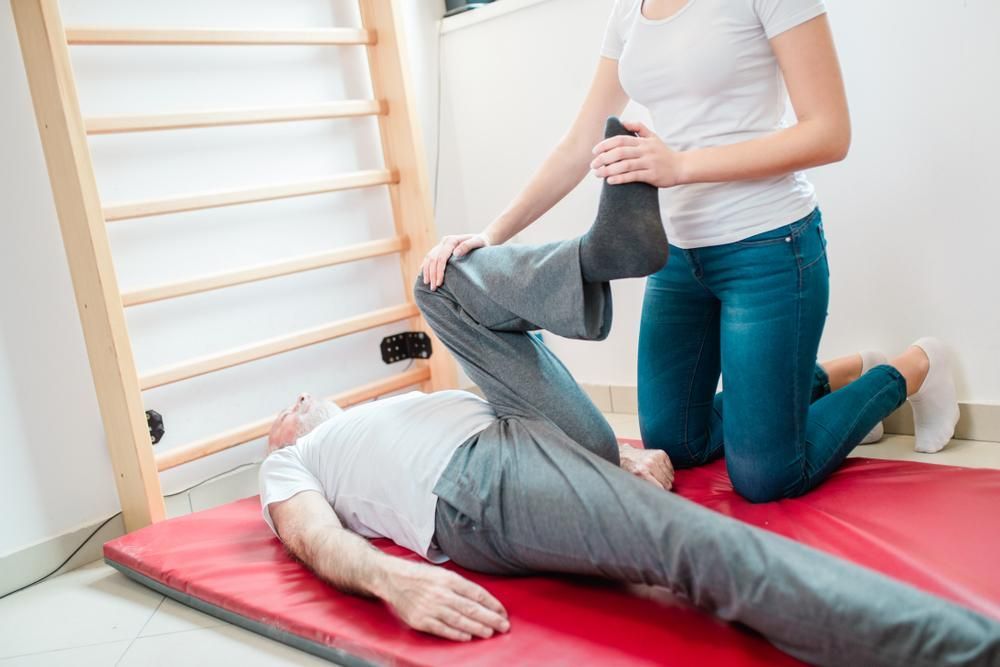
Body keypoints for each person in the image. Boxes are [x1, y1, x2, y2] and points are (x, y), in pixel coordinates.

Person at [260, 151, 998, 666]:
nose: (294, 402)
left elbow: (522, 393)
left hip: (524, 429)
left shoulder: (405, 403)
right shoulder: (293, 466)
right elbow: (314, 540)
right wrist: (394, 581)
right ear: (281, 444)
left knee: (436, 283)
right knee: (697, 548)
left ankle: (599, 256)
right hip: (472, 492)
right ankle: (968, 646)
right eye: (282, 413)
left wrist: (617, 453)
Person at [419, 0, 961, 503]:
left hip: (770, 249)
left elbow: (829, 131)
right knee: (677, 442)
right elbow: (580, 139)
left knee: (766, 477)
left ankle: (913, 368)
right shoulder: (630, 10)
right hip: (679, 259)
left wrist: (680, 166)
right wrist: (492, 234)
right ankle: (838, 373)